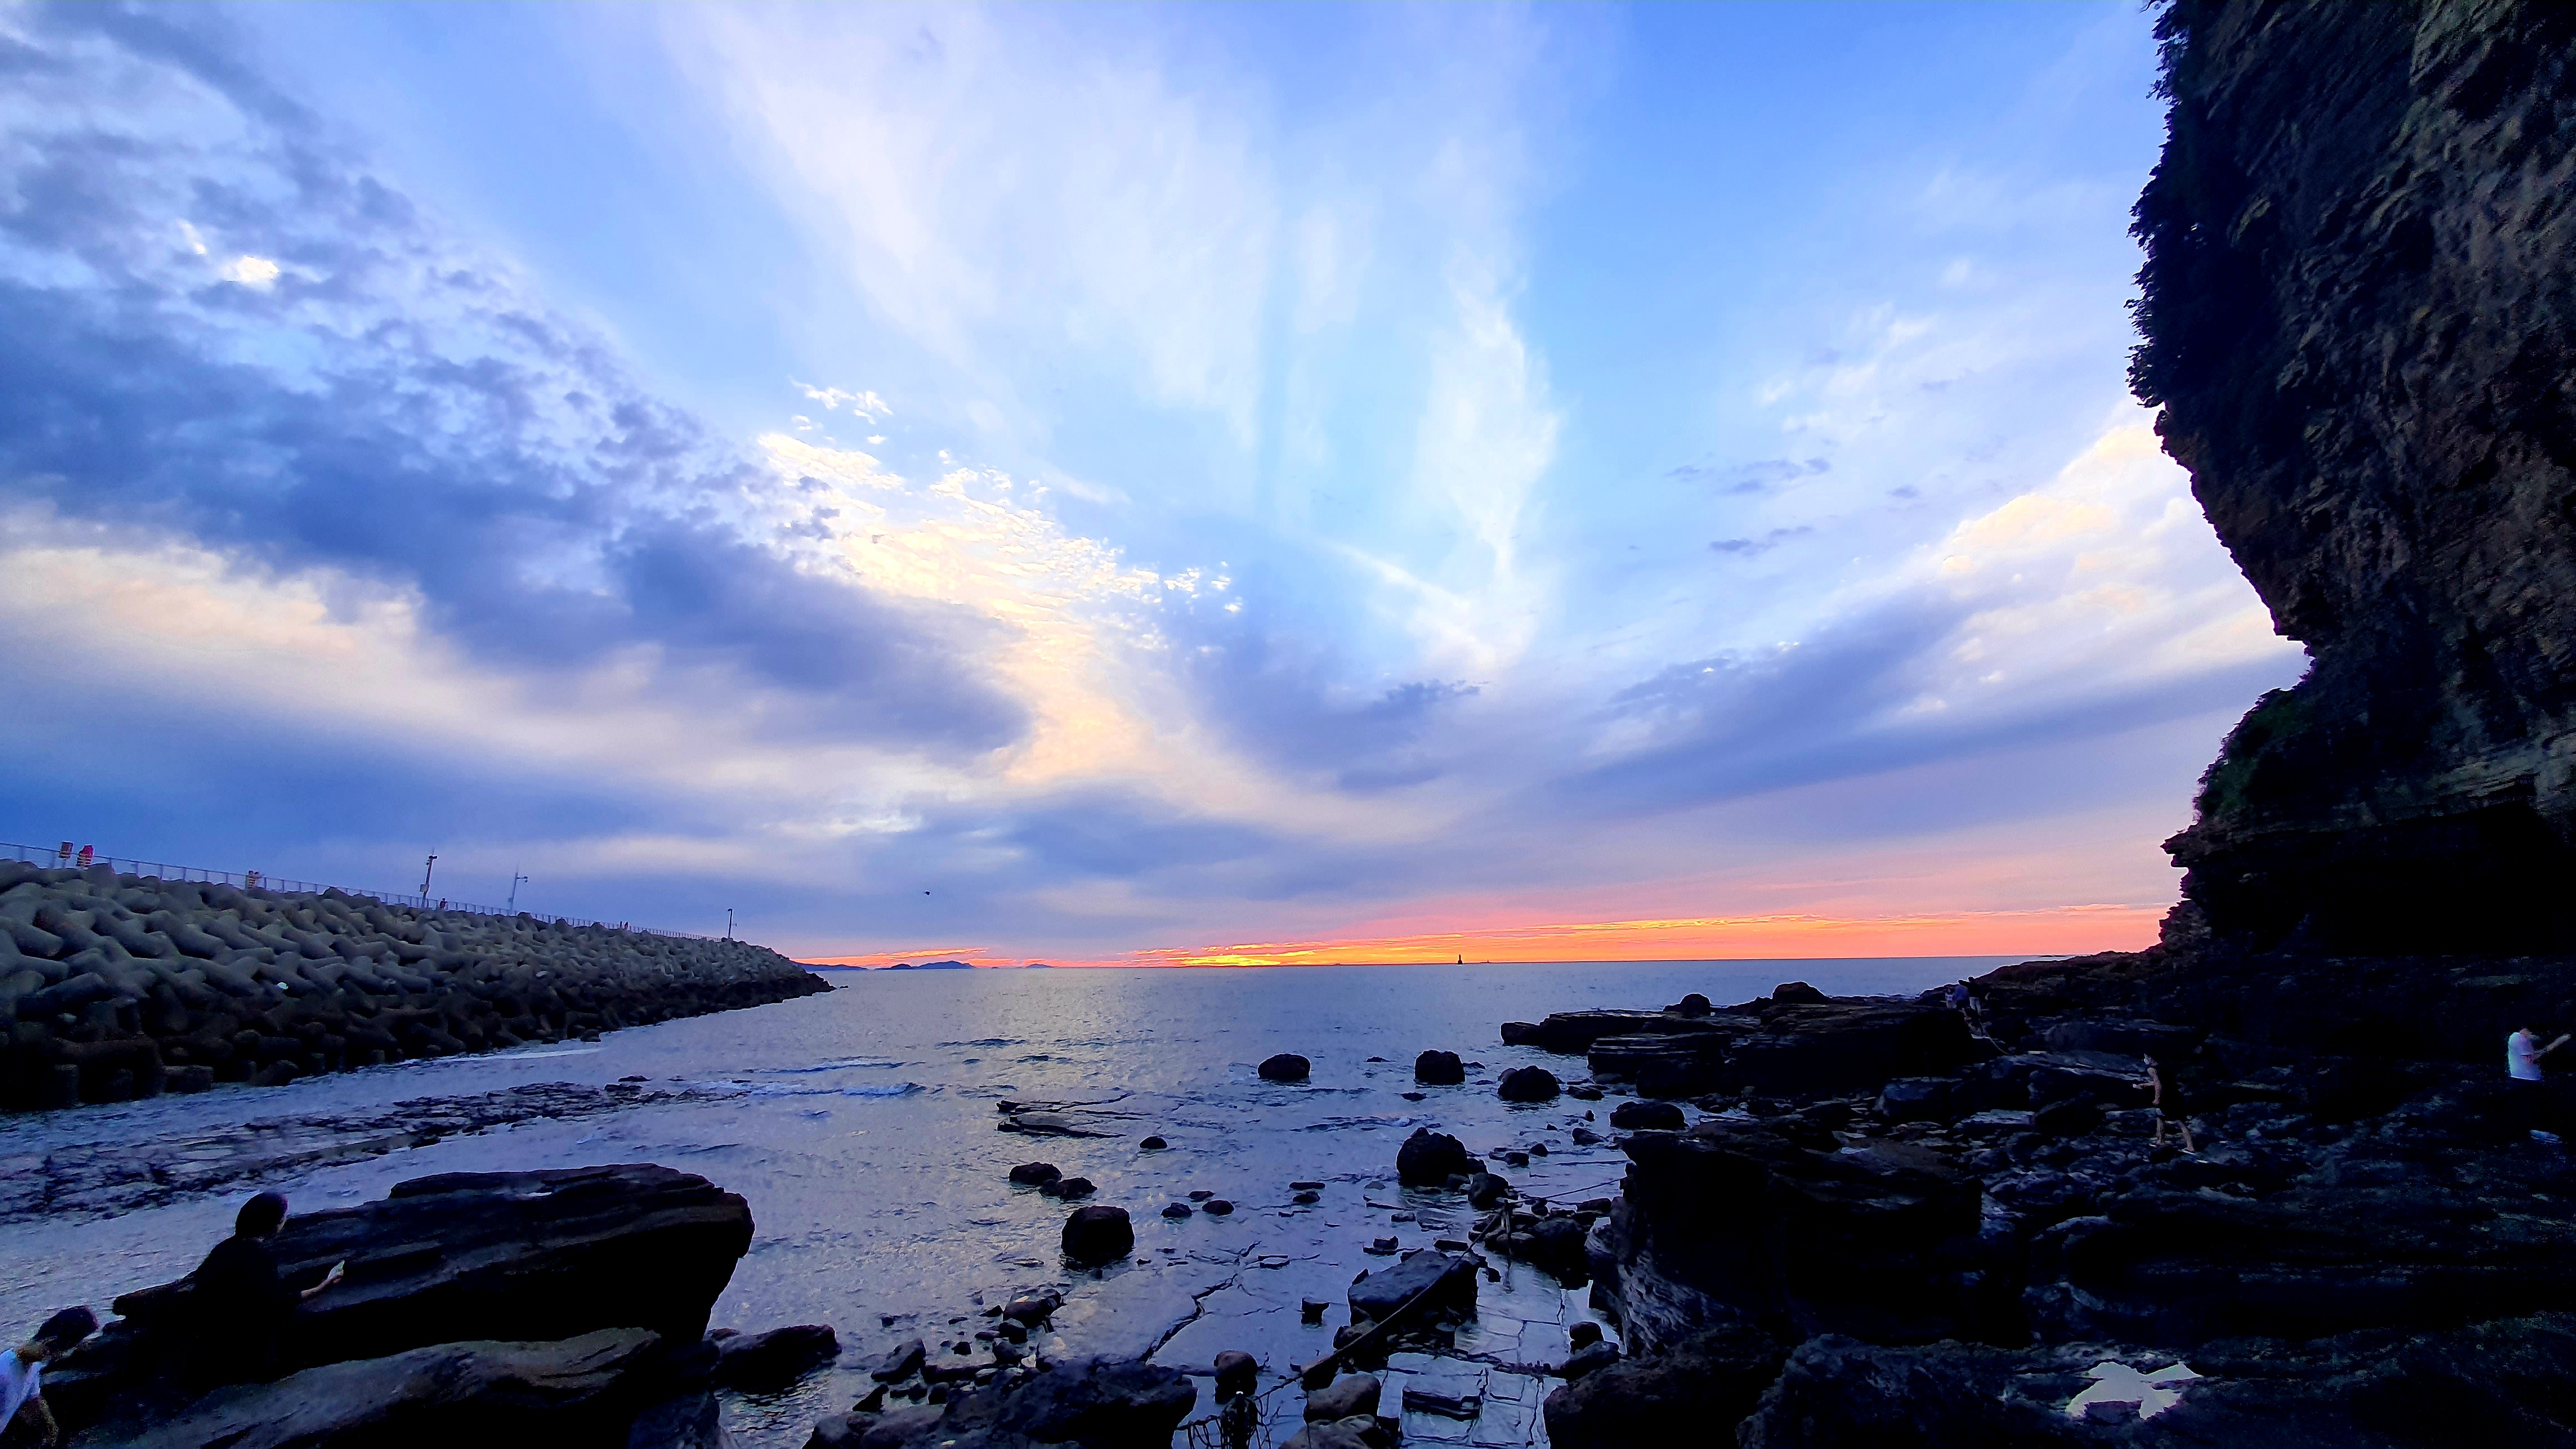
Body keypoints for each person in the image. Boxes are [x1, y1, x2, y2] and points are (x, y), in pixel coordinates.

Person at [184, 1192, 343, 1390]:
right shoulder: (259, 1258)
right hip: (245, 1342)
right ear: (275, 1224)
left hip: (213, 1335)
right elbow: (272, 1306)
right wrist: (320, 1289)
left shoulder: (223, 1249)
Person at [1, 1308, 98, 1449]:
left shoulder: (32, 1367)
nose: (59, 1357)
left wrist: (51, 1429)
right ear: (50, 1344)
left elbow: (32, 1399)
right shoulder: (4, 1373)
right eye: (64, 1351)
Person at [2142, 1054, 2195, 1154]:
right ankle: (2160, 1140)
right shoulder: (2166, 1067)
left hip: (2167, 1098)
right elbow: (2165, 1082)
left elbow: (2158, 1085)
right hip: (2176, 1095)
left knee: (2178, 1121)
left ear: (2150, 1058)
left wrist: (2157, 1099)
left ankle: (2190, 1146)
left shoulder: (2152, 1070)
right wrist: (2145, 1085)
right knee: (2162, 1117)